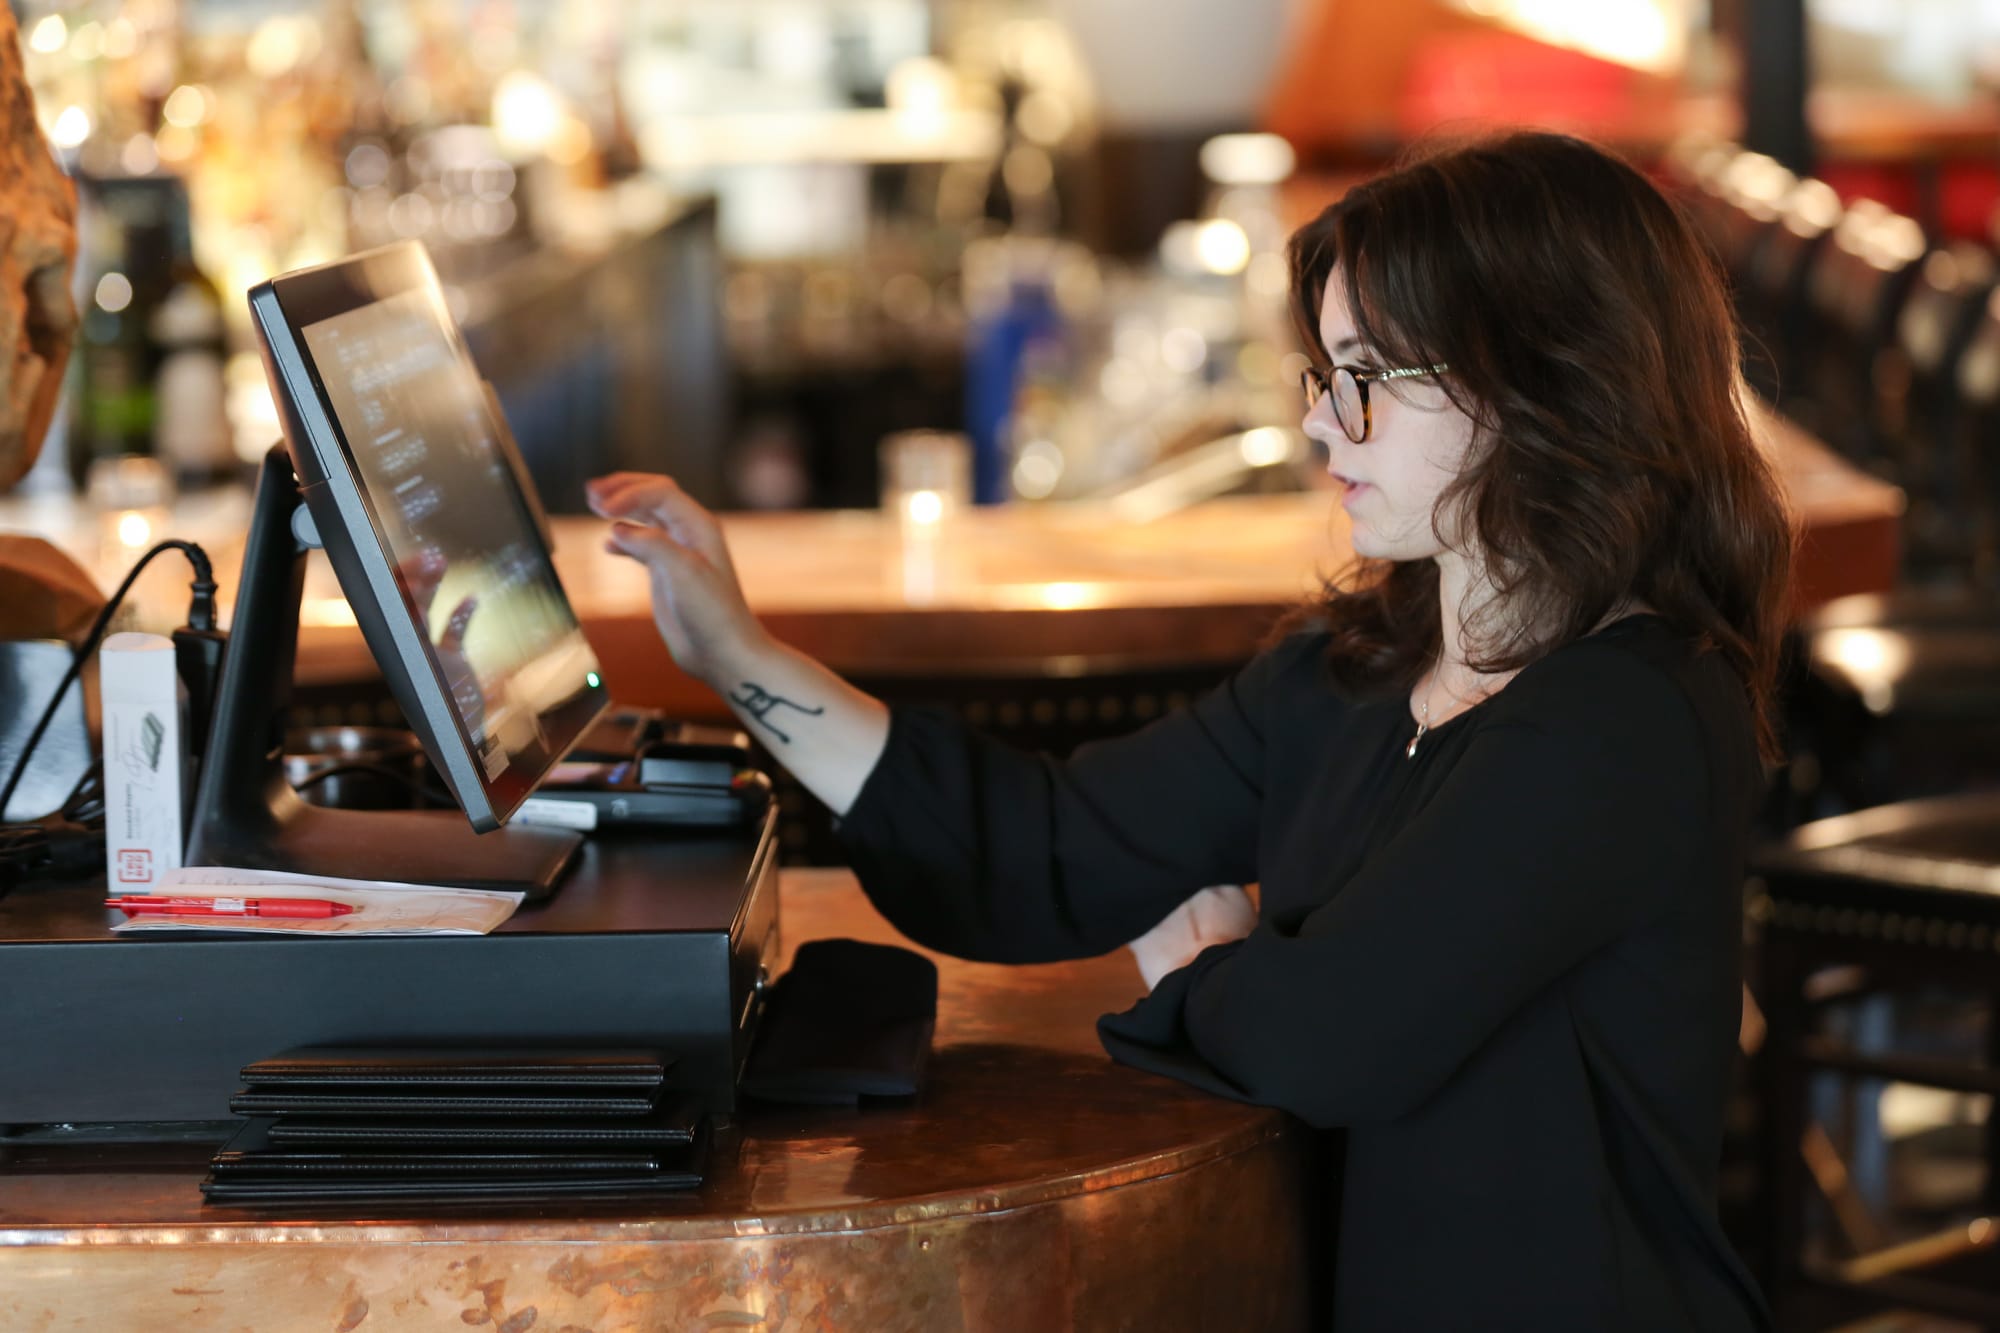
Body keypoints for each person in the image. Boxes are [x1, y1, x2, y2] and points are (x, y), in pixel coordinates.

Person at [587, 130, 1793, 1331]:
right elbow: (1041, 848)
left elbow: (1334, 1037)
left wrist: (1201, 971)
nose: (1325, 427)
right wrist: (736, 658)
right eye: (1324, 374)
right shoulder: (1355, 675)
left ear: (1545, 378)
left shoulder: (1620, 717)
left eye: (1367, 374)